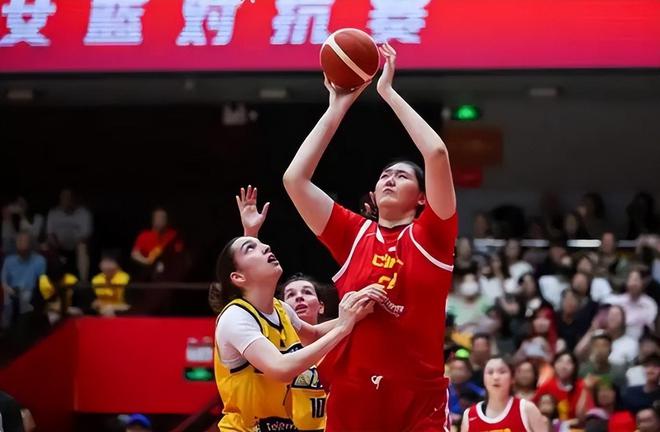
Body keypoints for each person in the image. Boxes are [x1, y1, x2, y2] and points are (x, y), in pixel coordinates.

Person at [284, 43, 457, 431]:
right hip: (355, 392)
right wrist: (337, 106)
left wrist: (388, 93)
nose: (390, 179)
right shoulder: (352, 233)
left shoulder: (434, 234)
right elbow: (295, 180)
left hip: (419, 399)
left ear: (422, 198)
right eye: (384, 176)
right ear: (373, 195)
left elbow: (436, 153)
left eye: (402, 176)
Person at [211, 185, 382, 431]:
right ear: (237, 278)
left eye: (262, 245)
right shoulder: (236, 316)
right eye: (252, 248)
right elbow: (281, 369)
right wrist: (343, 327)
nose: (267, 248)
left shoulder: (280, 309)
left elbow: (313, 334)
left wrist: (355, 314)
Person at [461, 357, 547, 432]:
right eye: (490, 372)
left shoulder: (527, 409)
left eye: (502, 372)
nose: (495, 377)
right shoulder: (469, 415)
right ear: (484, 378)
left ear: (512, 378)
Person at [46, 188, 92, 281]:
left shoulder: (84, 213)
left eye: (69, 197)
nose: (66, 200)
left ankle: (83, 282)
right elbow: (50, 233)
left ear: (74, 198)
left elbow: (85, 235)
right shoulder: (53, 213)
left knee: (82, 247)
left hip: (77, 246)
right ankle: (52, 281)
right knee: (46, 246)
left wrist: (75, 244)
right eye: (64, 197)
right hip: (58, 245)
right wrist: (56, 244)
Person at [533, 351, 593, 422]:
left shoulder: (582, 386)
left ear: (575, 367)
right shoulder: (547, 386)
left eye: (568, 363)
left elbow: (585, 416)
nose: (564, 366)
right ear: (554, 365)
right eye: (560, 362)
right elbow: (533, 407)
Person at [91, 251, 130, 317]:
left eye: (110, 262)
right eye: (105, 262)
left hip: (122, 309)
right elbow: (95, 301)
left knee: (108, 310)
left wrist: (111, 306)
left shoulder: (126, 278)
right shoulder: (96, 280)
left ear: (118, 265)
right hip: (102, 309)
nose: (107, 266)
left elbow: (128, 304)